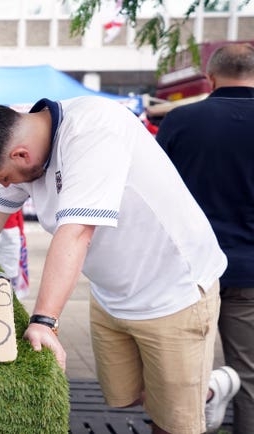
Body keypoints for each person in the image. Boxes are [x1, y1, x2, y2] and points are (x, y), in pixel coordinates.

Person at [0, 95, 237, 434]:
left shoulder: (93, 129)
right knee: (130, 397)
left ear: (20, 155)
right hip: (112, 292)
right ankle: (202, 392)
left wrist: (44, 321)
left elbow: (75, 234)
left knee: (172, 421)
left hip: (172, 292)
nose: (6, 186)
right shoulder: (27, 149)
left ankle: (203, 394)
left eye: (3, 178)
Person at [156, 42, 254, 434]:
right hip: (249, 271)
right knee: (249, 372)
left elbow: (157, 192)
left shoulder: (182, 121)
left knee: (178, 369)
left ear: (210, 78)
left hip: (189, 269)